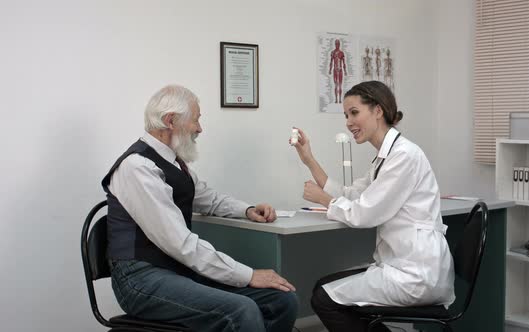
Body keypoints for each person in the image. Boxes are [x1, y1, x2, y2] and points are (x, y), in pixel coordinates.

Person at [102, 85, 298, 331]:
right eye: (195, 120)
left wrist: (247, 210)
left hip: (175, 269)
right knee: (241, 310)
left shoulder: (172, 161)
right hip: (140, 279)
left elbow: (208, 198)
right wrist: (248, 275)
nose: (199, 128)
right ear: (170, 120)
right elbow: (179, 243)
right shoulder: (138, 167)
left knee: (281, 300)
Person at [291, 81, 454, 332]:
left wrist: (324, 199)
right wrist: (309, 160)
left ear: (378, 111)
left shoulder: (404, 156)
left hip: (415, 273)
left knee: (324, 298)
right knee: (324, 289)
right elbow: (352, 194)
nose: (348, 122)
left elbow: (363, 214)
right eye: (346, 115)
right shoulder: (386, 157)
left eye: (354, 112)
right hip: (403, 265)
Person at [329, 39, 347, 103]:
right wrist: (330, 70)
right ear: (335, 44)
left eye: (338, 44)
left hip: (340, 70)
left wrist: (345, 71)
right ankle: (336, 99)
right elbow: (331, 62)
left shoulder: (341, 53)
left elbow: (344, 63)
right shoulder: (333, 52)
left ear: (339, 44)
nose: (337, 45)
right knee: (336, 85)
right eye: (336, 44)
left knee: (340, 85)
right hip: (335, 70)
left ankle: (340, 99)